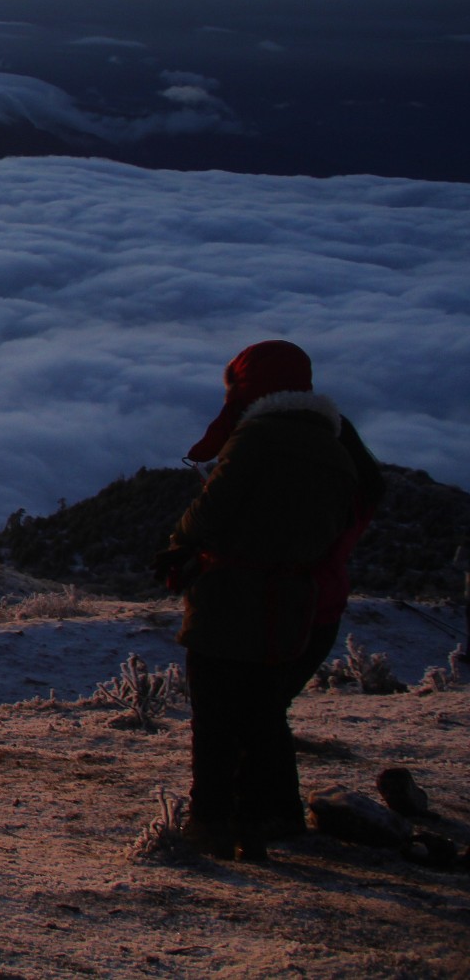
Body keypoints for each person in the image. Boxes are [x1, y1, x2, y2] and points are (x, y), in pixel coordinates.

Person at [159, 340, 373, 861]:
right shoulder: (336, 443)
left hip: (232, 596)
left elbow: (211, 512)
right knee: (262, 710)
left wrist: (178, 551)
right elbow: (358, 505)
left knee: (215, 714)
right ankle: (267, 815)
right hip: (299, 601)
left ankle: (211, 821)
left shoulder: (255, 439)